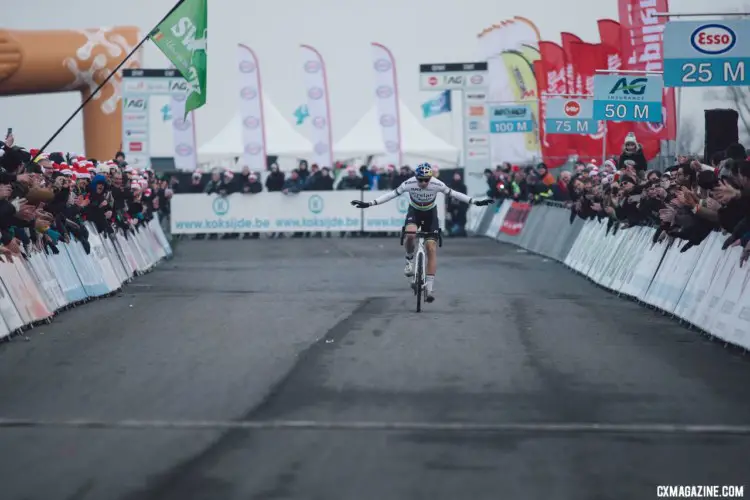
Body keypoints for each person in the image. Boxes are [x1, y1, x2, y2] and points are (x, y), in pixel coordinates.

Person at [351, 162, 493, 302]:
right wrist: (370, 203)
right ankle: (409, 259)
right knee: (411, 234)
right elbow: (391, 195)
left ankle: (429, 288)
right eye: (421, 180)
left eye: (426, 180)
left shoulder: (437, 184)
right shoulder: (409, 183)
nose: (424, 183)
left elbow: (455, 194)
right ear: (416, 177)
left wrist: (475, 202)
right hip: (414, 211)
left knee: (431, 248)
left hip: (430, 214)